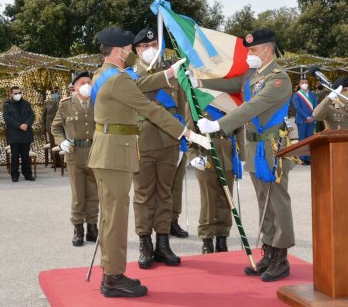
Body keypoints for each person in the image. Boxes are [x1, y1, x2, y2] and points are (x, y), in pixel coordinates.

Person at [88, 27, 210, 298]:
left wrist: (168, 73)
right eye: (130, 49)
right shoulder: (117, 79)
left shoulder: (105, 74)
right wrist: (188, 134)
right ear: (119, 51)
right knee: (115, 220)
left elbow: (139, 86)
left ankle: (112, 272)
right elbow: (149, 108)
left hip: (109, 152)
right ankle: (113, 278)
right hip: (114, 155)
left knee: (111, 217)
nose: (132, 52)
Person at [194, 29, 295, 282]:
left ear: (268, 50)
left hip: (272, 148)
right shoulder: (252, 74)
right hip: (253, 148)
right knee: (264, 200)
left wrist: (219, 125)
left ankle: (281, 257)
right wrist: (199, 82)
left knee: (277, 200)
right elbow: (229, 84)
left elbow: (253, 106)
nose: (249, 55)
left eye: (252, 50)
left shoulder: (279, 79)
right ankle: (269, 252)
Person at [130, 27, 188, 269]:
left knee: (165, 192)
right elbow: (135, 97)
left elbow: (182, 106)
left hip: (169, 142)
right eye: (144, 47)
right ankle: (145, 242)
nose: (149, 50)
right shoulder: (130, 75)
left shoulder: (173, 74)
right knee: (144, 195)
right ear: (136, 51)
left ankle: (163, 242)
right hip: (142, 143)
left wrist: (185, 135)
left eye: (153, 46)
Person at [52, 72, 99, 247]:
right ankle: (78, 227)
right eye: (82, 82)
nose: (87, 85)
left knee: (94, 193)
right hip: (75, 153)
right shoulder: (65, 105)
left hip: (94, 151)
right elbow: (55, 127)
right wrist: (61, 141)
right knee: (78, 194)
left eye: (89, 82)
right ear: (75, 87)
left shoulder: (98, 102)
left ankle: (92, 227)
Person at [187, 106, 238, 254]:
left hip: (227, 157)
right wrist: (192, 156)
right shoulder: (195, 100)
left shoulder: (226, 100)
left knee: (226, 200)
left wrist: (241, 157)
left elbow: (238, 127)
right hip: (206, 157)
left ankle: (222, 237)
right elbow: (190, 132)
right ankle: (207, 239)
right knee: (208, 200)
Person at [2, 86, 35, 182]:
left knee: (25, 156)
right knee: (15, 156)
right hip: (14, 134)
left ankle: (27, 174)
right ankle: (14, 175)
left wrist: (26, 124)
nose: (17, 95)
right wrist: (19, 125)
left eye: (19, 93)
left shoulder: (26, 104)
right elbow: (7, 118)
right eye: (15, 93)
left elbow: (32, 116)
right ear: (11, 94)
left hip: (26, 133)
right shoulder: (7, 105)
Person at [291, 77, 316, 165]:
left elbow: (315, 107)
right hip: (302, 120)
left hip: (311, 120)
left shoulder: (312, 94)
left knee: (310, 139)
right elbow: (298, 108)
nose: (305, 84)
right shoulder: (296, 95)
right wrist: (306, 117)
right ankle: (302, 158)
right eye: (302, 82)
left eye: (306, 82)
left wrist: (312, 117)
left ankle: (309, 158)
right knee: (302, 140)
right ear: (299, 84)